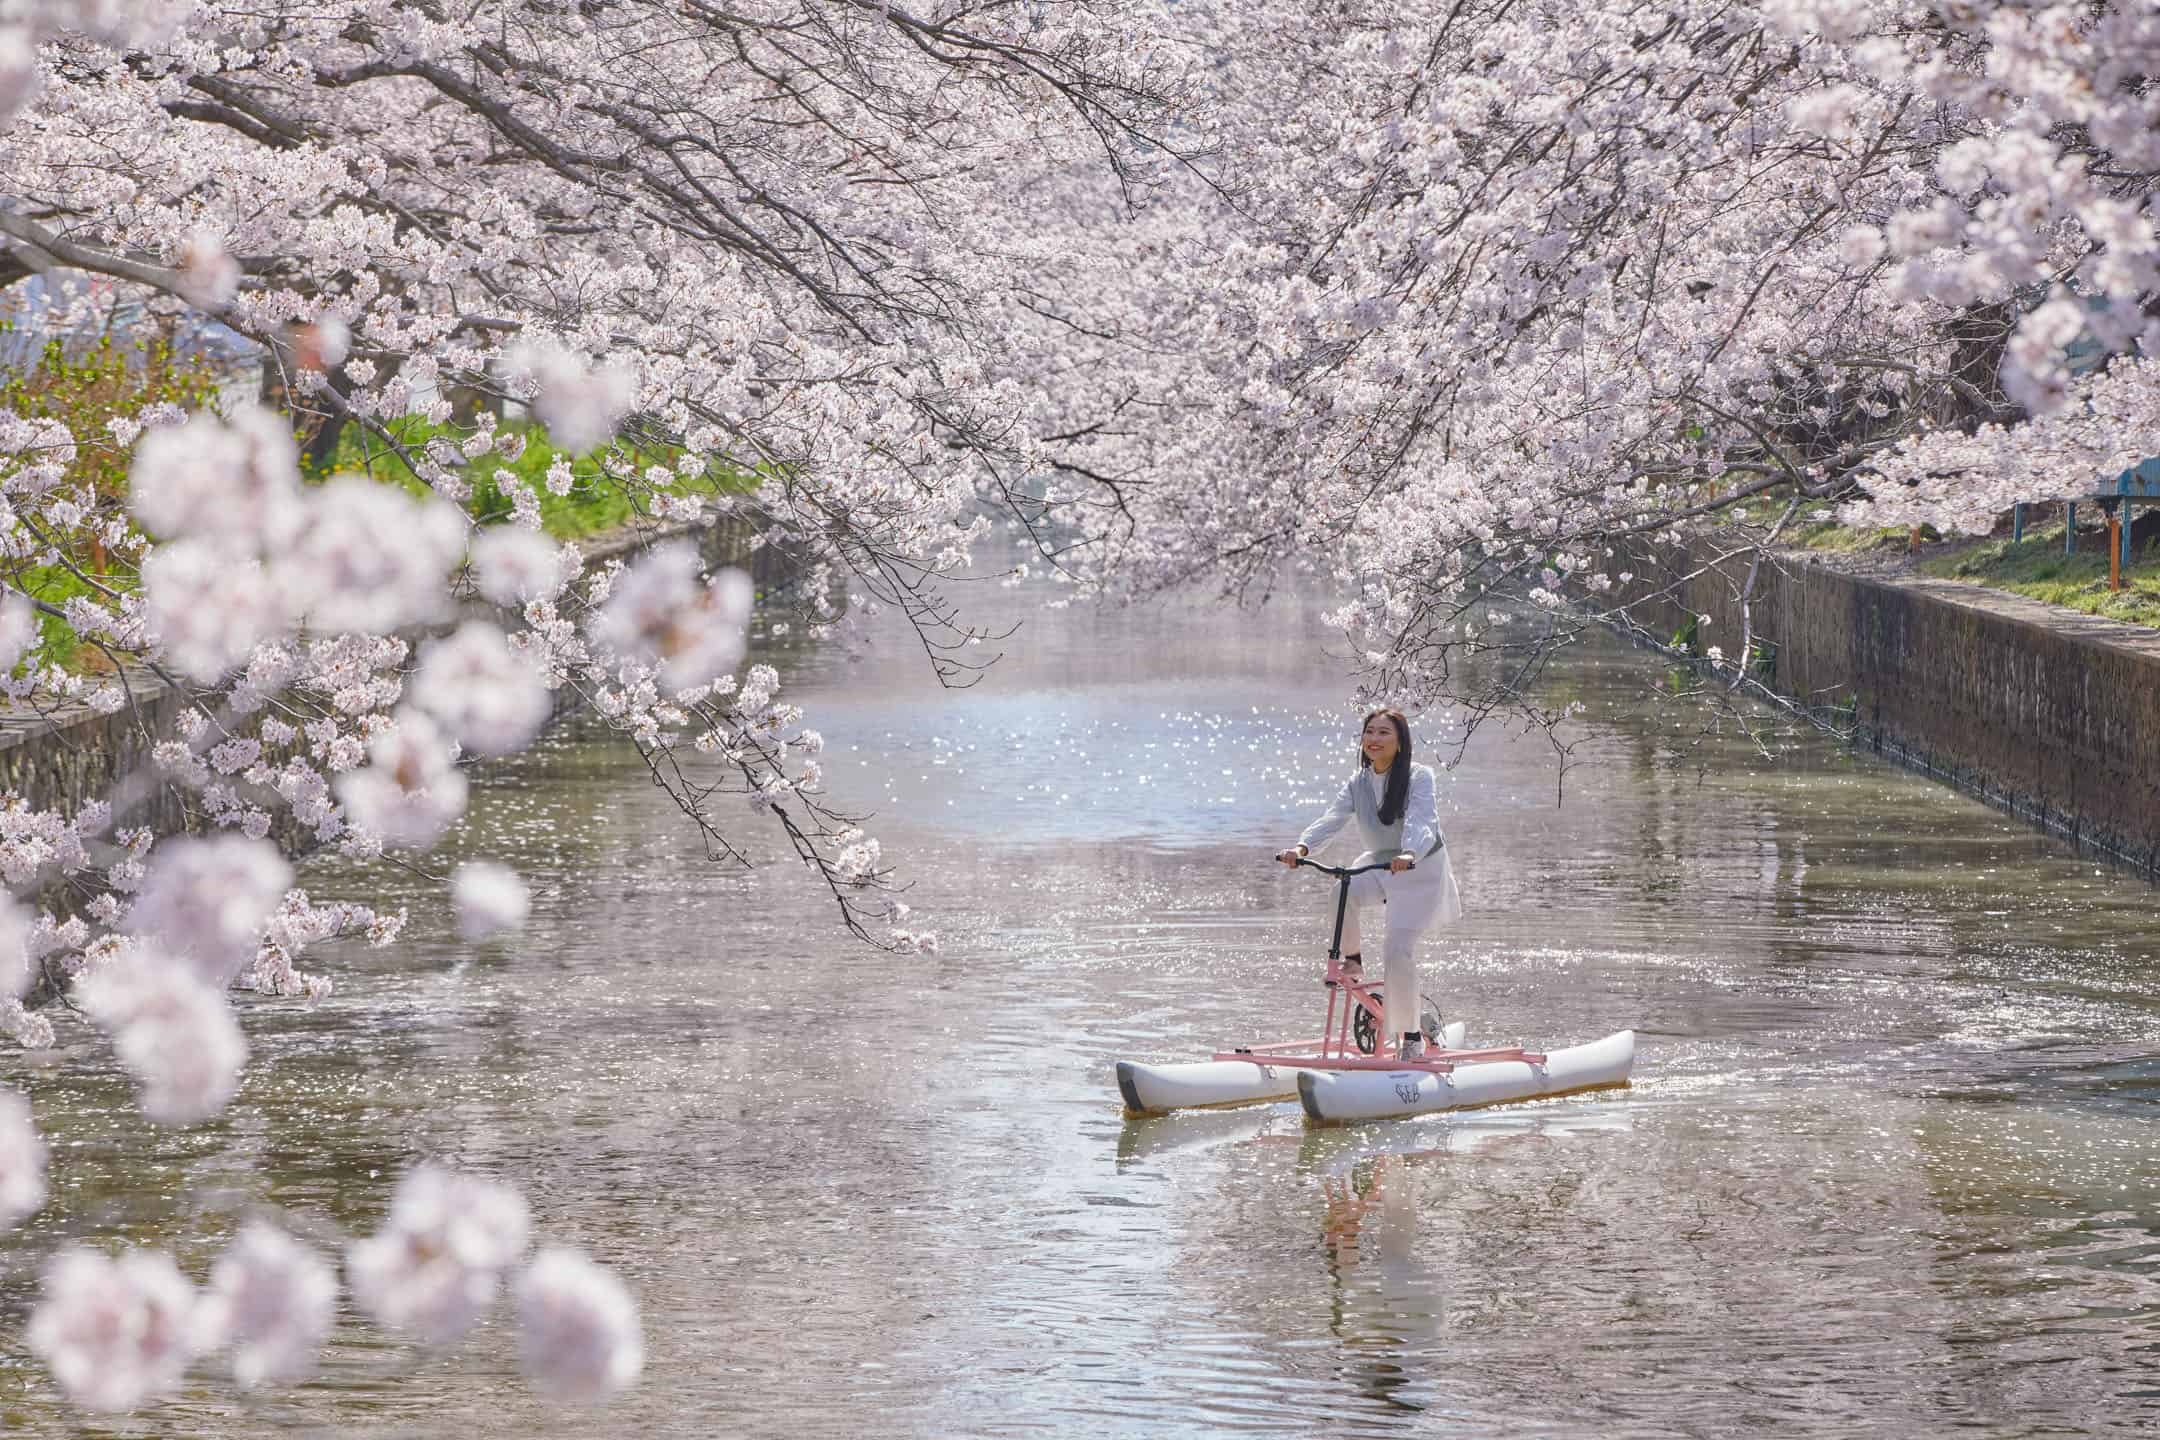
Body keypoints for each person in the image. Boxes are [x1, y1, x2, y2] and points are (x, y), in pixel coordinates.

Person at [1275, 708, 1462, 1058]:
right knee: (1343, 891)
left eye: (1384, 733)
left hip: (1419, 869)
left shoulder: (1420, 776)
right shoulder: (1358, 781)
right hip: (1380, 862)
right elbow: (1333, 817)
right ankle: (1354, 960)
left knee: (1397, 951)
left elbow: (1423, 820)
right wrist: (1302, 847)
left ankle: (1411, 1038)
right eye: (1370, 732)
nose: (1374, 740)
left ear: (1400, 741)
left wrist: (1410, 854)